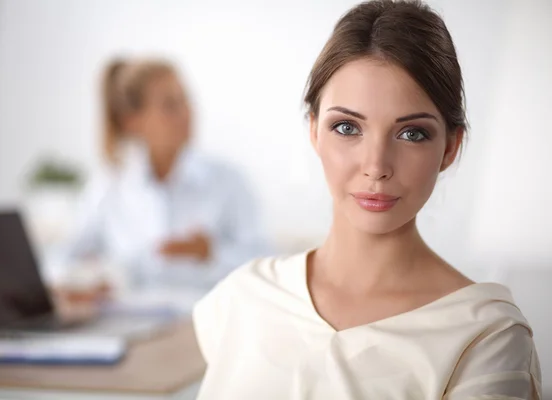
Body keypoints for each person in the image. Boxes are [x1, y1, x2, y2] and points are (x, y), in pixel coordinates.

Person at [192, 1, 542, 399]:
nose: (376, 166)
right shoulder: (244, 297)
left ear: (450, 148)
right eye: (346, 127)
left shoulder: (484, 337)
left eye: (411, 133)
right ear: (314, 131)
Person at [64, 58, 267, 290]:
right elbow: (63, 261)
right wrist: (98, 278)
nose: (187, 113)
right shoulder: (108, 187)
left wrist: (210, 254)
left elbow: (267, 265)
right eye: (170, 105)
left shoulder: (228, 182)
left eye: (185, 100)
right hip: (129, 321)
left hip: (204, 321)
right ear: (132, 121)